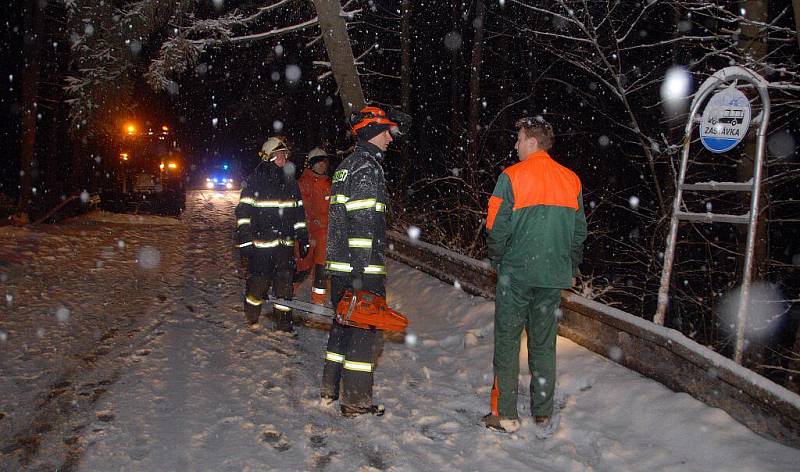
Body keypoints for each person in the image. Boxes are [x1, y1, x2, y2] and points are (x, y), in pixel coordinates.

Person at [482, 116, 587, 434]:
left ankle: (506, 414)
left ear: (532, 141)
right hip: (552, 276)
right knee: (543, 342)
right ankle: (542, 411)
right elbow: (579, 232)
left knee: (508, 341)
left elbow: (495, 227)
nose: (515, 145)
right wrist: (569, 266)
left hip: (517, 273)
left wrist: (498, 259)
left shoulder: (511, 177)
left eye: (519, 138)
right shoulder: (571, 180)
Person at [320, 106, 408, 417]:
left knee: (342, 327)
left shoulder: (346, 166)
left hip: (342, 268)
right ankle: (355, 402)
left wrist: (342, 271)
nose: (390, 138)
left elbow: (338, 225)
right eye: (386, 132)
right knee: (363, 334)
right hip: (362, 270)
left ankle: (330, 389)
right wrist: (360, 276)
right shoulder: (368, 169)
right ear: (372, 133)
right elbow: (361, 225)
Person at [235, 136, 309, 333]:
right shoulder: (255, 181)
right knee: (258, 284)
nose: (284, 158)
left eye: (285, 154)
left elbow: (299, 212)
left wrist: (302, 237)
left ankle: (283, 322)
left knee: (285, 286)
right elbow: (243, 213)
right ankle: (251, 317)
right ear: (268, 157)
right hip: (262, 247)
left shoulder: (291, 182)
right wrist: (245, 241)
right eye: (279, 155)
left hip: (284, 246)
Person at [294, 147, 332, 305]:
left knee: (322, 269)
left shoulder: (330, 183)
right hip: (308, 233)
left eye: (324, 162)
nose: (322, 165)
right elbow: (303, 210)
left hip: (324, 233)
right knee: (303, 267)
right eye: (318, 162)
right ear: (311, 165)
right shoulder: (303, 183)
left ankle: (318, 301)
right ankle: (287, 291)